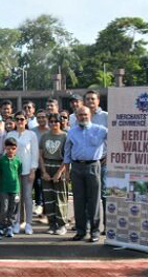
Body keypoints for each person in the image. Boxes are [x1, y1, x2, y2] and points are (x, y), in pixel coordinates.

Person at [64, 106, 107, 243]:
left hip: (93, 166)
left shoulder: (100, 130)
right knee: (79, 201)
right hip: (76, 167)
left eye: (85, 115)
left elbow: (116, 140)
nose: (83, 117)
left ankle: (95, 232)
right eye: (80, 115)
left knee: (94, 200)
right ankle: (81, 231)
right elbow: (67, 152)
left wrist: (110, 156)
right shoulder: (72, 132)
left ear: (90, 115)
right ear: (76, 117)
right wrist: (66, 171)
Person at [6, 110, 39, 235]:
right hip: (13, 172)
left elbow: (34, 153)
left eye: (22, 119)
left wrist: (33, 170)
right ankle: (16, 223)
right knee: (16, 198)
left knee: (27, 198)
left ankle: (29, 224)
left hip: (27, 171)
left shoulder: (31, 135)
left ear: (26, 121)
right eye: (17, 119)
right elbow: (5, 152)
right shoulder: (10, 134)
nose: (20, 121)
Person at [39, 113, 68, 235]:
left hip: (59, 166)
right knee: (49, 198)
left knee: (60, 198)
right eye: (51, 121)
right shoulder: (44, 136)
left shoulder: (65, 136)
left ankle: (62, 225)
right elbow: (40, 155)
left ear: (60, 122)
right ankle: (52, 224)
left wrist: (59, 172)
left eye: (56, 121)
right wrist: (44, 171)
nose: (53, 124)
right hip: (47, 166)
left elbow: (67, 156)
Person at [84, 89, 108, 233]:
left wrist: (109, 155)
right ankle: (88, 224)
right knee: (88, 195)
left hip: (103, 161)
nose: (90, 102)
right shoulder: (80, 117)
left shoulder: (106, 116)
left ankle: (107, 225)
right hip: (87, 162)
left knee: (105, 194)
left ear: (98, 101)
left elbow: (113, 137)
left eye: (93, 99)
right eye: (88, 99)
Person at [0, 137, 22, 237]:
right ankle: (1, 226)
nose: (10, 150)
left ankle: (10, 226)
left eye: (13, 148)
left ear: (16, 149)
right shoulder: (1, 160)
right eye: (8, 148)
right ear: (5, 148)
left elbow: (19, 173)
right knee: (4, 208)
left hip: (15, 189)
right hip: (4, 189)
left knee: (13, 208)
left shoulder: (18, 161)